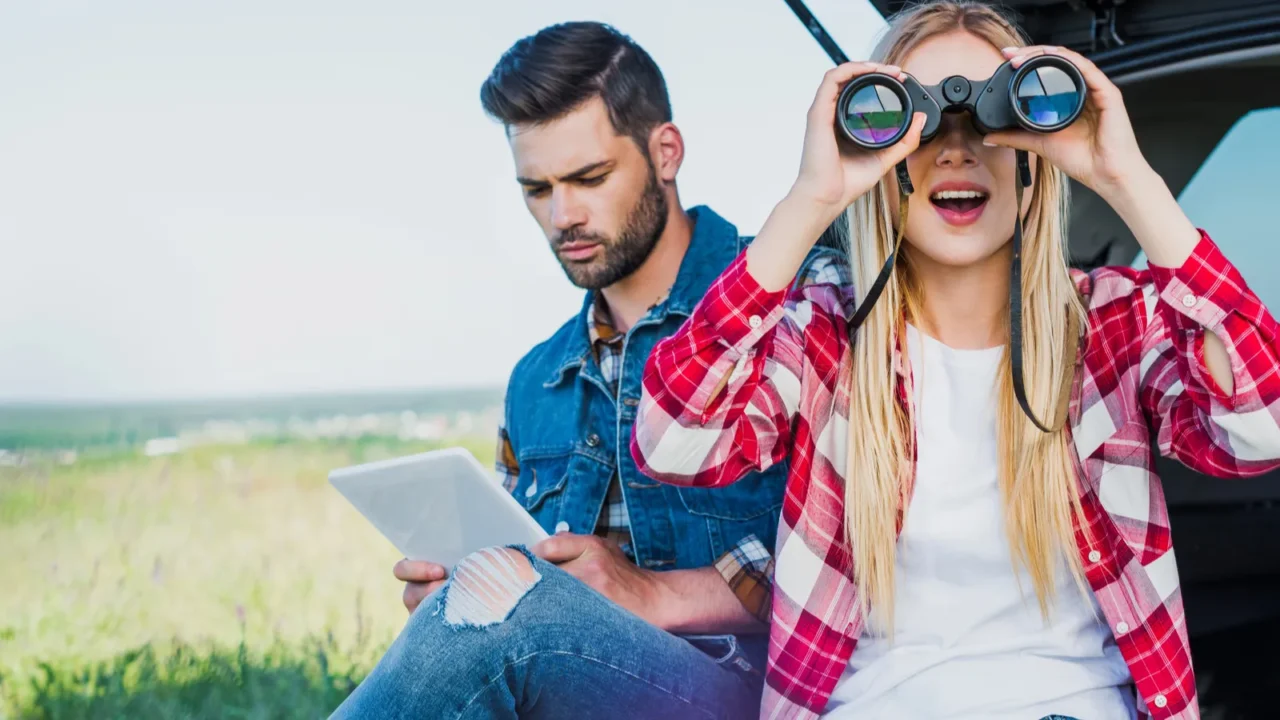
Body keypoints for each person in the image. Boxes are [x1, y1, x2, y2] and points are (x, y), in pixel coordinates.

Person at [630, 2, 1280, 719]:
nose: (957, 148)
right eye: (921, 123)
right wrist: (812, 198)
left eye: (999, 120)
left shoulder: (1109, 326)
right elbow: (675, 442)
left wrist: (1129, 180)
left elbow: (1260, 428)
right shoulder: (826, 333)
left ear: (1036, 158)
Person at [332, 21, 837, 720]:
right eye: (536, 189)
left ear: (666, 152)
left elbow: (881, 548)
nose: (563, 215)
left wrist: (654, 594)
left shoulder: (800, 303)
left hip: (753, 694)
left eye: (589, 178)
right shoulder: (535, 380)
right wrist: (456, 601)